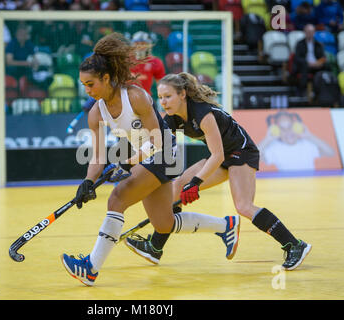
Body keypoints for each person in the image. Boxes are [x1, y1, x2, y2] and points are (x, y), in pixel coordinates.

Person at [60, 33, 240, 286]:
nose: (87, 90)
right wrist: (88, 182)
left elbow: (157, 140)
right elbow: (98, 156)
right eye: (84, 85)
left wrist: (129, 162)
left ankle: (90, 267)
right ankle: (225, 225)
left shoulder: (135, 96)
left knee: (117, 198)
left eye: (91, 84)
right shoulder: (95, 113)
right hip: (146, 158)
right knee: (163, 223)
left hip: (164, 153)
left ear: (107, 78)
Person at [125, 72, 312, 272]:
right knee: (178, 186)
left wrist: (195, 182)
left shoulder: (203, 113)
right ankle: (155, 247)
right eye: (160, 97)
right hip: (222, 156)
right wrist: (130, 164)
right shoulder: (171, 118)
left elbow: (217, 155)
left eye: (168, 96)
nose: (163, 102)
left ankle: (294, 245)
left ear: (182, 94)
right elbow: (156, 145)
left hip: (241, 153)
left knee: (243, 206)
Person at [80, 31, 166, 113]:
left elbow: (161, 85)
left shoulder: (156, 62)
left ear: (149, 45)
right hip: (123, 99)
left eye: (143, 44)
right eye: (137, 43)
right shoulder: (124, 59)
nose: (140, 46)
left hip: (145, 99)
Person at [258, 111, 334, 171]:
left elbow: (330, 152)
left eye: (290, 126)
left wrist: (310, 136)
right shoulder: (275, 148)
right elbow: (253, 157)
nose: (288, 132)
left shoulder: (307, 144)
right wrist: (268, 139)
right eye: (283, 129)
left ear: (296, 127)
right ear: (277, 131)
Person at [293, 23, 327, 96]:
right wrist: (308, 63)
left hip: (316, 65)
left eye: (311, 32)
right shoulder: (300, 43)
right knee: (304, 67)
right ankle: (303, 91)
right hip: (305, 65)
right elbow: (297, 58)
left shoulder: (318, 44)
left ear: (314, 33)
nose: (309, 33)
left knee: (327, 66)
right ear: (304, 32)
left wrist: (319, 63)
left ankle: (323, 91)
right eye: (308, 32)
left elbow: (323, 57)